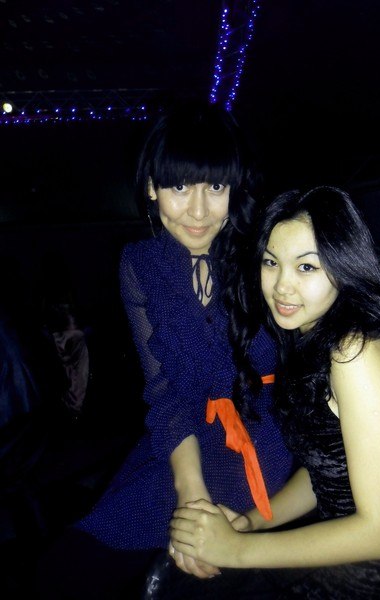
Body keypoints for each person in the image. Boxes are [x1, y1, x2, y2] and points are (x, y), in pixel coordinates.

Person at [34, 99, 296, 599]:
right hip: (179, 446)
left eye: (215, 188)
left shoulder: (266, 251)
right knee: (63, 568)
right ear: (152, 187)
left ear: (234, 188)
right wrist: (190, 497)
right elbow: (164, 392)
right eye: (179, 187)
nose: (198, 211)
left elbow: (332, 327)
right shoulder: (140, 264)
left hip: (259, 444)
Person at [169, 186, 380, 598]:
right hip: (355, 564)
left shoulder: (355, 354)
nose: (282, 286)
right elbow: (329, 467)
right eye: (271, 262)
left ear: (343, 267)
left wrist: (237, 549)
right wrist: (252, 521)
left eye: (306, 267)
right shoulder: (307, 340)